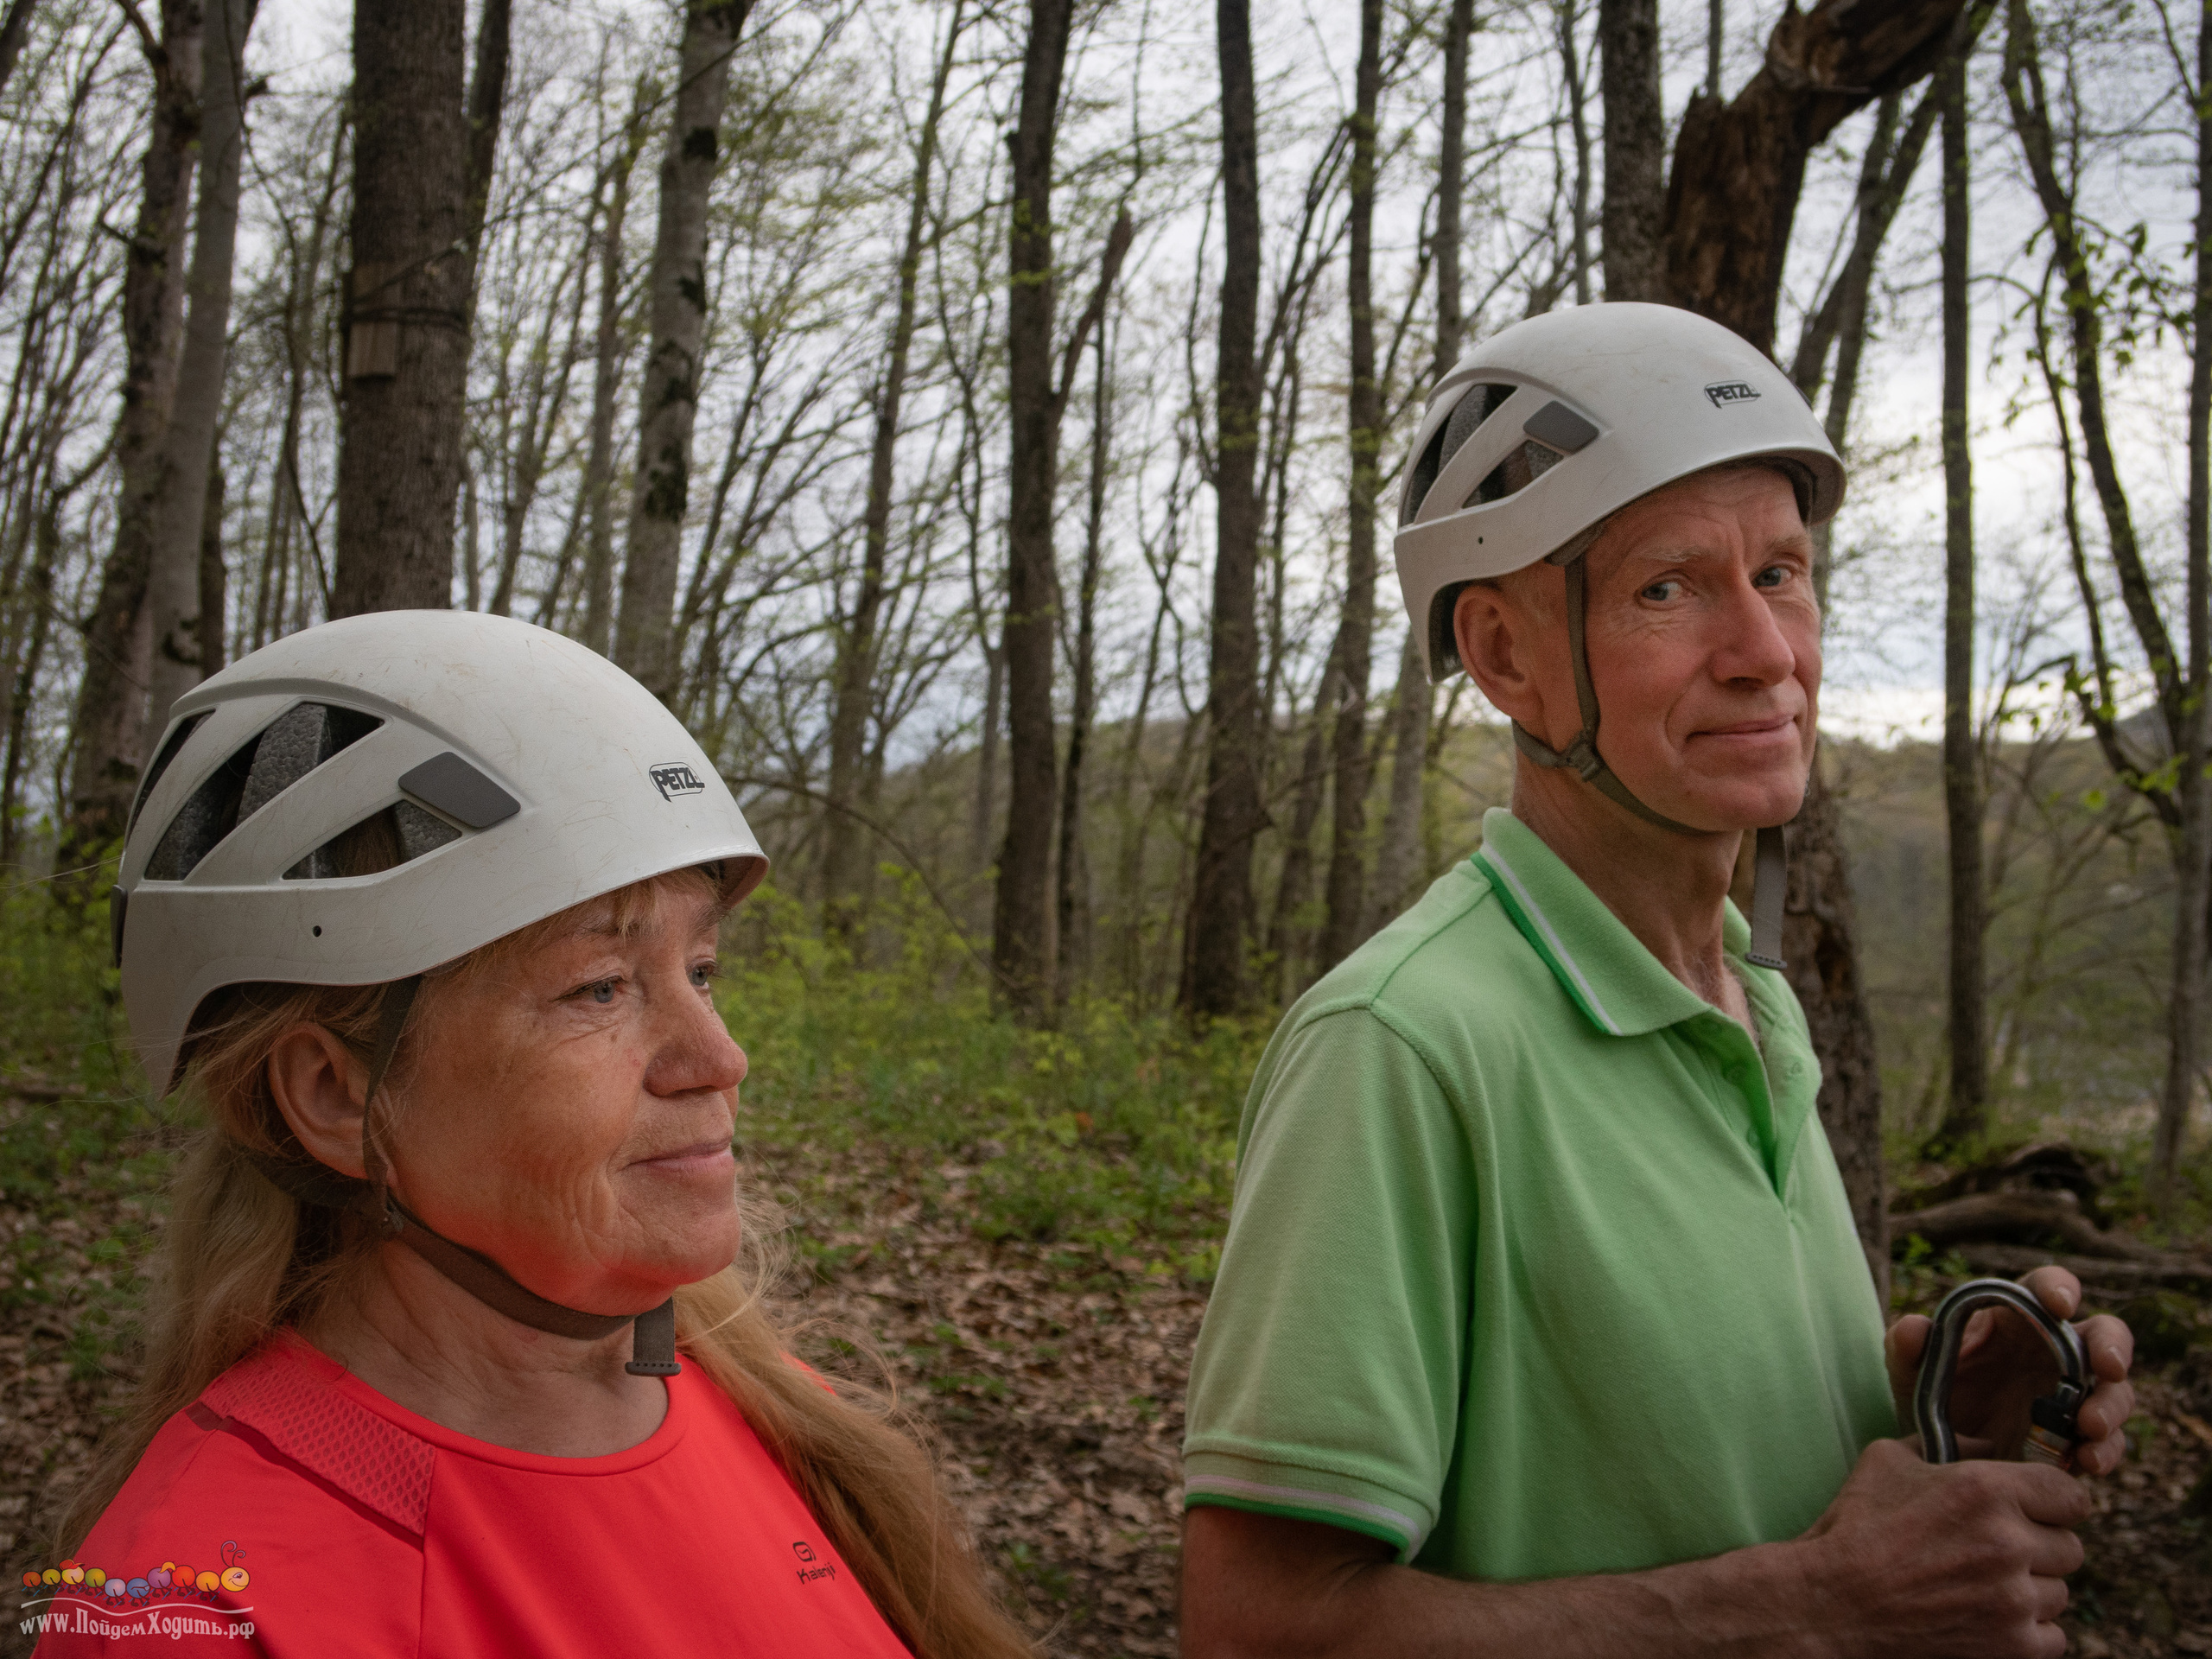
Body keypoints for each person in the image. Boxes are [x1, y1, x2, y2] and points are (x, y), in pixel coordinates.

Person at [1177, 302, 2137, 1658]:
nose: (1767, 652)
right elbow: (1258, 1633)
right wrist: (1815, 1608)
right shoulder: (1402, 1045)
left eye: (1785, 574)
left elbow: (1730, 1509)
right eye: (1668, 589)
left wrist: (1945, 1443)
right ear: (1510, 657)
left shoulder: (1760, 1008)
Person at [29, 611, 1032, 1658]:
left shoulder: (790, 1417)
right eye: (597, 987)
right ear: (334, 1096)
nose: (720, 1058)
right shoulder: (194, 1614)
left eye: (700, 971)